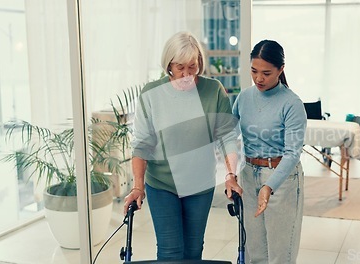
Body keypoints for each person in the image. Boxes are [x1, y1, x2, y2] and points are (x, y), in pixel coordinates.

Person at [123, 31, 238, 261]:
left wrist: (231, 174)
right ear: (168, 65)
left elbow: (227, 136)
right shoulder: (152, 94)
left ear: (200, 64)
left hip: (199, 185)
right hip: (162, 184)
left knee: (193, 251)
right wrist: (138, 186)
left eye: (192, 67)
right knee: (170, 252)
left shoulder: (213, 90)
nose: (186, 75)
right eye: (179, 68)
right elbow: (142, 143)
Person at [225, 40, 307, 264]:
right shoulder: (243, 98)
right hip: (249, 176)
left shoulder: (292, 104)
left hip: (281, 178)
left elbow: (292, 153)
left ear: (281, 70)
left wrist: (269, 187)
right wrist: (230, 174)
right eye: (254, 71)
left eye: (266, 73)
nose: (259, 78)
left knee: (281, 254)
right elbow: (228, 135)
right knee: (255, 251)